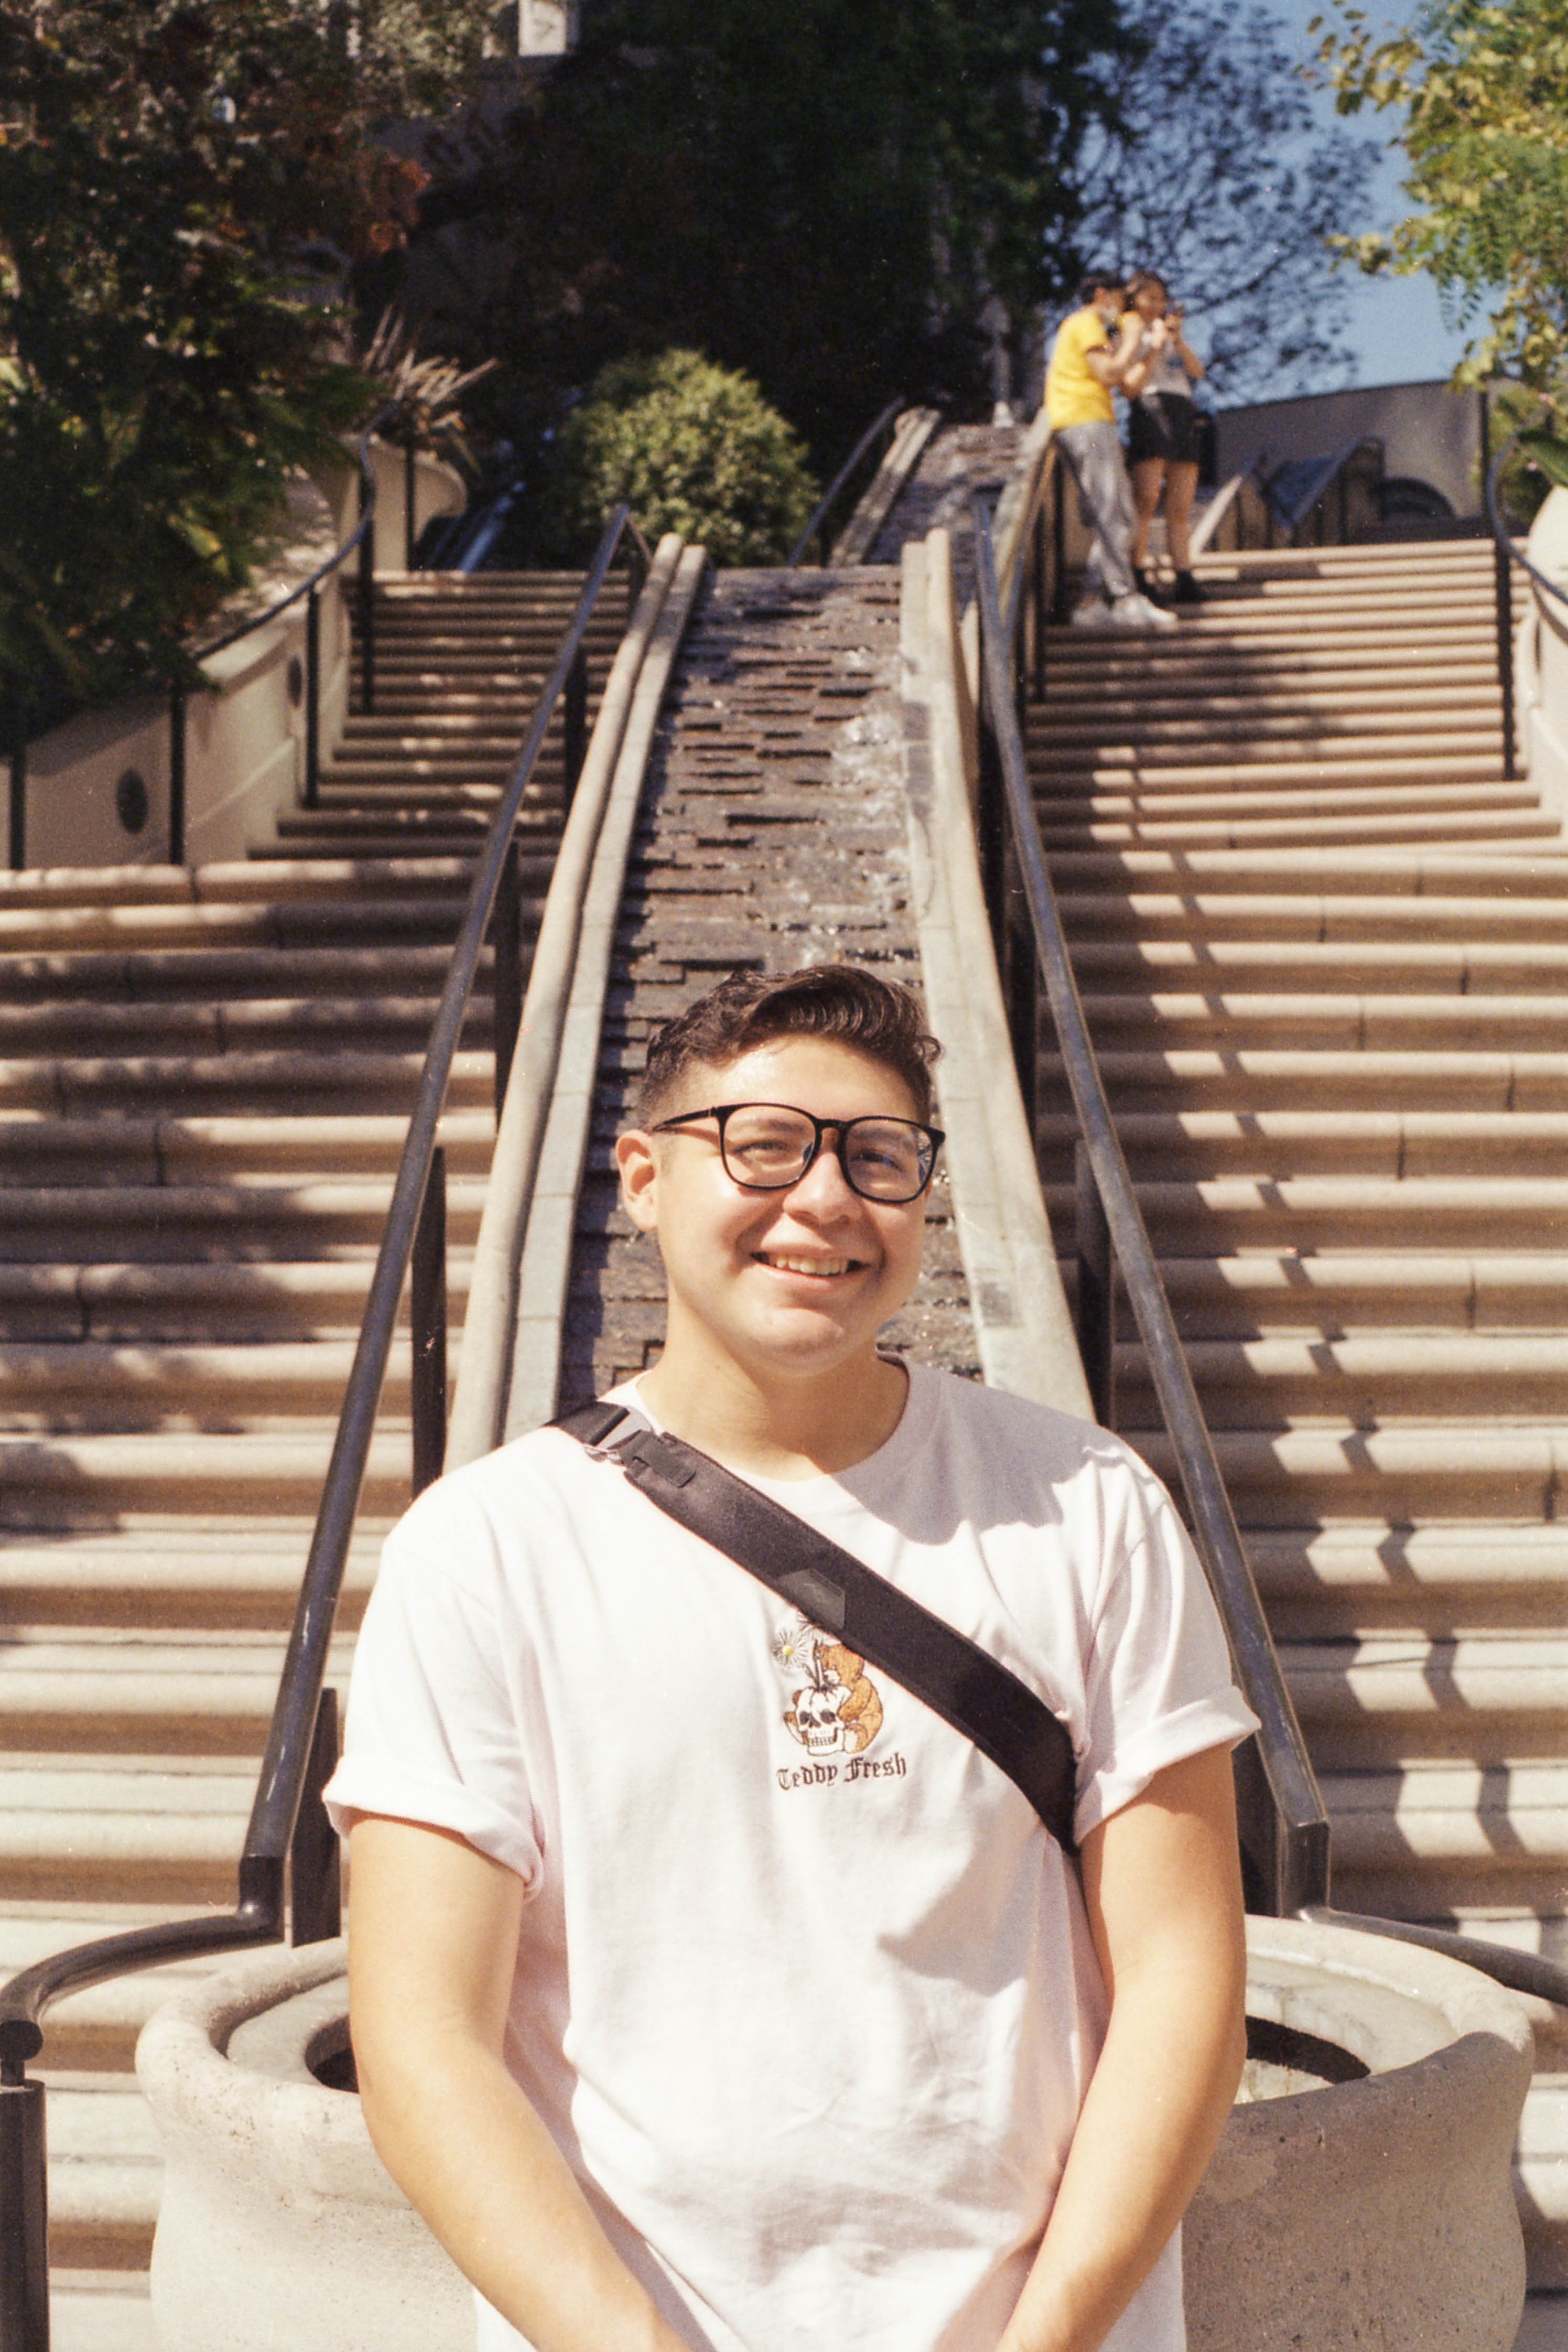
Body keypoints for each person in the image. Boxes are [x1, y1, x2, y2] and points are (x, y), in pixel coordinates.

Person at [327, 962, 1257, 2352]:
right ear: (641, 1176)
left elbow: (1182, 1973)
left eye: (875, 1157)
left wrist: (1050, 2332)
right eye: (761, 1144)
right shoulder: (485, 1546)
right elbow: (419, 2036)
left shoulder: (1083, 1501)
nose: (822, 1198)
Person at [1043, 271, 1175, 631]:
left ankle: (1093, 601)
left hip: (1082, 421)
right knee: (1117, 513)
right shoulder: (1086, 322)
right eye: (1118, 301)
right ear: (1102, 295)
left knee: (1113, 514)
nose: (1119, 313)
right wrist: (1133, 338)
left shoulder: (1078, 326)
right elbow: (1109, 373)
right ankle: (1122, 598)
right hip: (1084, 421)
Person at [1121, 272, 1208, 608]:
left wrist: (1177, 340)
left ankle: (1184, 573)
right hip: (1150, 404)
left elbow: (1197, 372)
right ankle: (1138, 570)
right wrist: (1153, 349)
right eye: (1151, 297)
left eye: (1162, 298)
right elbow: (1128, 384)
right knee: (1146, 497)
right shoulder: (1124, 328)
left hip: (1180, 405)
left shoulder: (1169, 330)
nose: (1158, 304)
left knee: (1181, 503)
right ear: (1135, 297)